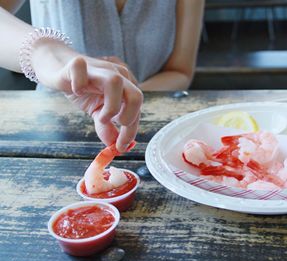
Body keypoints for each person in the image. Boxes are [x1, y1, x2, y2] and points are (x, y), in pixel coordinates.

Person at [0, 0, 204, 152]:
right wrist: (46, 52)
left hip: (149, 131)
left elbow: (180, 71)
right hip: (48, 131)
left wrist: (123, 96)